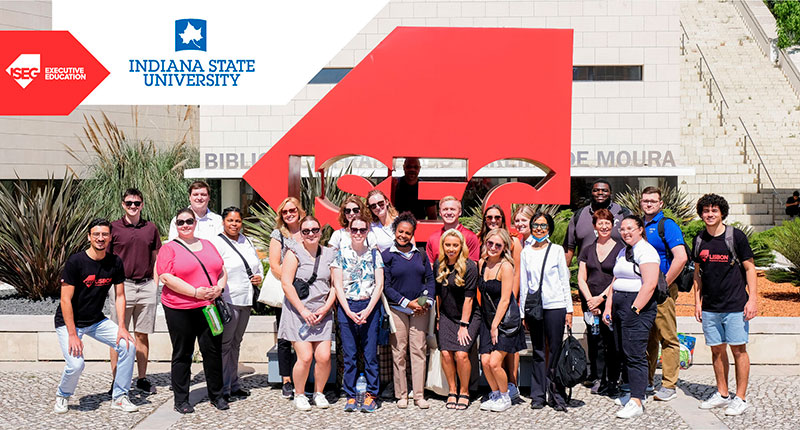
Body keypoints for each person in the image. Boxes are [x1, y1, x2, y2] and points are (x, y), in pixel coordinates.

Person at [53, 219, 139, 414]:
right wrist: (73, 334)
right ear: (89, 237)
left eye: (105, 235)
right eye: (96, 235)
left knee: (128, 345)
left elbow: (120, 296)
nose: (101, 238)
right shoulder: (76, 261)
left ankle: (119, 397)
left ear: (110, 237)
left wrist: (122, 328)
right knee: (76, 365)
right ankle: (63, 395)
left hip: (96, 321)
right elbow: (65, 300)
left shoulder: (115, 261)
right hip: (69, 323)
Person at [157, 208, 229, 413]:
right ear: (176, 225)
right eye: (181, 222)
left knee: (213, 352)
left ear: (195, 223)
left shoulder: (208, 245)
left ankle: (217, 395)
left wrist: (219, 288)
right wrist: (195, 292)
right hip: (181, 309)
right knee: (182, 353)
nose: (185, 225)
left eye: (189, 221)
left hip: (209, 308)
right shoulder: (168, 248)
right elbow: (166, 277)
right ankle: (181, 400)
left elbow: (221, 269)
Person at [692, 194, 757, 416]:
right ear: (701, 214)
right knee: (717, 351)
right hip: (710, 307)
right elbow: (697, 274)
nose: (709, 214)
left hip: (736, 305)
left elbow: (750, 269)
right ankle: (722, 393)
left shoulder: (735, 237)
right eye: (706, 211)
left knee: (739, 350)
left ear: (722, 213)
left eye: (714, 211)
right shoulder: (699, 239)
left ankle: (740, 397)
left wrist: (753, 300)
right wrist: (697, 303)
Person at [278, 215, 337, 411]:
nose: (311, 234)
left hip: (322, 312)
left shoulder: (330, 254)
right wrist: (302, 310)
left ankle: (319, 393)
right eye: (306, 231)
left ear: (320, 232)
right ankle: (300, 393)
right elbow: (286, 283)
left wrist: (326, 307)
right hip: (298, 312)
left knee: (324, 356)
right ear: (301, 234)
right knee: (304, 357)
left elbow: (335, 285)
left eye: (314, 230)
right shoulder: (293, 253)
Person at [603, 215, 659, 419]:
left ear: (641, 229)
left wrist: (635, 309)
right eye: (623, 229)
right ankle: (634, 392)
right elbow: (615, 279)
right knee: (623, 350)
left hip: (637, 305)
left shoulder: (646, 252)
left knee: (635, 353)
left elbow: (650, 284)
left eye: (630, 228)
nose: (626, 232)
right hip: (619, 303)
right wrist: (609, 305)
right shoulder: (623, 250)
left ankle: (637, 399)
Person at [107, 188, 161, 395]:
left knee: (142, 334)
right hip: (123, 286)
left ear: (142, 205)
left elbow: (157, 256)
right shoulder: (113, 228)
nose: (132, 206)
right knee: (117, 334)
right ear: (123, 204)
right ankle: (117, 380)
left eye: (136, 203)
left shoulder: (151, 228)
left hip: (146, 285)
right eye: (129, 203)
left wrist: (155, 283)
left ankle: (142, 378)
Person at [519, 213, 573, 411]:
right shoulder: (526, 252)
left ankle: (556, 394)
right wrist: (523, 312)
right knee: (539, 351)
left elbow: (563, 280)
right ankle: (538, 395)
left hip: (556, 305)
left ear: (549, 228)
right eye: (535, 225)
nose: (539, 229)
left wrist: (569, 309)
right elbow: (524, 284)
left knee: (556, 351)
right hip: (535, 307)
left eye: (543, 225)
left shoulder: (557, 250)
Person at [331, 214, 385, 413]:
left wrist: (368, 310)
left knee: (370, 355)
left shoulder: (374, 254)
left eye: (363, 230)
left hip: (370, 307)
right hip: (348, 308)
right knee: (350, 355)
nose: (358, 234)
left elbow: (379, 285)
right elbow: (337, 285)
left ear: (368, 231)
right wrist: (348, 311)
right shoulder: (340, 254)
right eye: (355, 230)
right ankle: (351, 395)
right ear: (349, 231)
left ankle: (371, 394)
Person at [382, 212, 435, 409]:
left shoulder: (420, 254)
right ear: (395, 231)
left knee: (419, 351)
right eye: (400, 231)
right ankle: (401, 394)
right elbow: (386, 287)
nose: (403, 235)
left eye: (407, 232)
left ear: (413, 234)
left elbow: (430, 279)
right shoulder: (387, 255)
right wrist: (407, 302)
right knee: (399, 352)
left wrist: (426, 301)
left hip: (420, 310)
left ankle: (419, 395)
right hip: (398, 309)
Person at [210, 207, 263, 403]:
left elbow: (256, 264)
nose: (234, 224)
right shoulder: (216, 243)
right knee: (225, 344)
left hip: (246, 299)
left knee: (236, 343)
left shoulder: (246, 240)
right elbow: (213, 269)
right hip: (228, 299)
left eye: (238, 221)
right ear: (223, 222)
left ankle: (234, 383)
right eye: (230, 221)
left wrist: (260, 277)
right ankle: (223, 387)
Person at [641, 187, 688, 402]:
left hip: (661, 290)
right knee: (648, 336)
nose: (649, 204)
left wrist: (663, 285)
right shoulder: (639, 225)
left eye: (653, 201)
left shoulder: (666, 225)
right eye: (645, 200)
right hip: (642, 290)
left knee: (667, 336)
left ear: (660, 204)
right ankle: (648, 381)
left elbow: (680, 257)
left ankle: (669, 384)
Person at [576, 208, 624, 397]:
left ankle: (612, 379)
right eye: (600, 223)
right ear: (595, 226)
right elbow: (581, 277)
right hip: (590, 303)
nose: (604, 226)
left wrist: (601, 298)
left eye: (607, 223)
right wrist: (589, 300)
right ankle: (597, 377)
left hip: (610, 300)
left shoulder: (620, 247)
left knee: (612, 342)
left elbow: (617, 276)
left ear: (612, 225)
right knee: (595, 340)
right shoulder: (588, 249)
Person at [477, 229, 526, 413]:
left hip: (505, 321)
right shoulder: (482, 263)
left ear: (504, 247)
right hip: (488, 319)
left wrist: (495, 325)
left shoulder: (506, 266)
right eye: (490, 243)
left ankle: (505, 397)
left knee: (495, 363)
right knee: (485, 361)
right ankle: (496, 393)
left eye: (498, 245)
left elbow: (506, 299)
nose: (493, 247)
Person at [435, 229, 480, 410]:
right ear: (443, 246)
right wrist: (438, 318)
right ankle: (452, 391)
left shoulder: (469, 267)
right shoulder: (439, 265)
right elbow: (438, 295)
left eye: (455, 245)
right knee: (446, 353)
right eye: (448, 245)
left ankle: (465, 391)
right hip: (446, 315)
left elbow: (469, 299)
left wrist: (464, 325)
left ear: (461, 246)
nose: (451, 249)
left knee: (461, 354)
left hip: (468, 317)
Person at [268, 197, 305, 399]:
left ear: (299, 211)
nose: (289, 214)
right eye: (285, 211)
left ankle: (303, 376)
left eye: (292, 210)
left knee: (305, 335)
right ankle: (286, 380)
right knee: (284, 338)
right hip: (286, 290)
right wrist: (291, 283)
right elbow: (274, 265)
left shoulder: (309, 229)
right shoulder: (278, 234)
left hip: (308, 292)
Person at [564, 179, 630, 265]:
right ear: (591, 193)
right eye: (596, 190)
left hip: (618, 272)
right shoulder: (579, 215)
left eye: (605, 190)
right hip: (586, 273)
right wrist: (564, 272)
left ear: (611, 193)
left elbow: (635, 242)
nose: (600, 193)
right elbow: (569, 247)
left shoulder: (623, 213)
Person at [426, 195, 481, 263]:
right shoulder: (433, 238)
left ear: (460, 212)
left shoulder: (470, 237)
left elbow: (473, 266)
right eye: (445, 209)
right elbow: (430, 266)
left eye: (452, 209)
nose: (449, 213)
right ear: (440, 213)